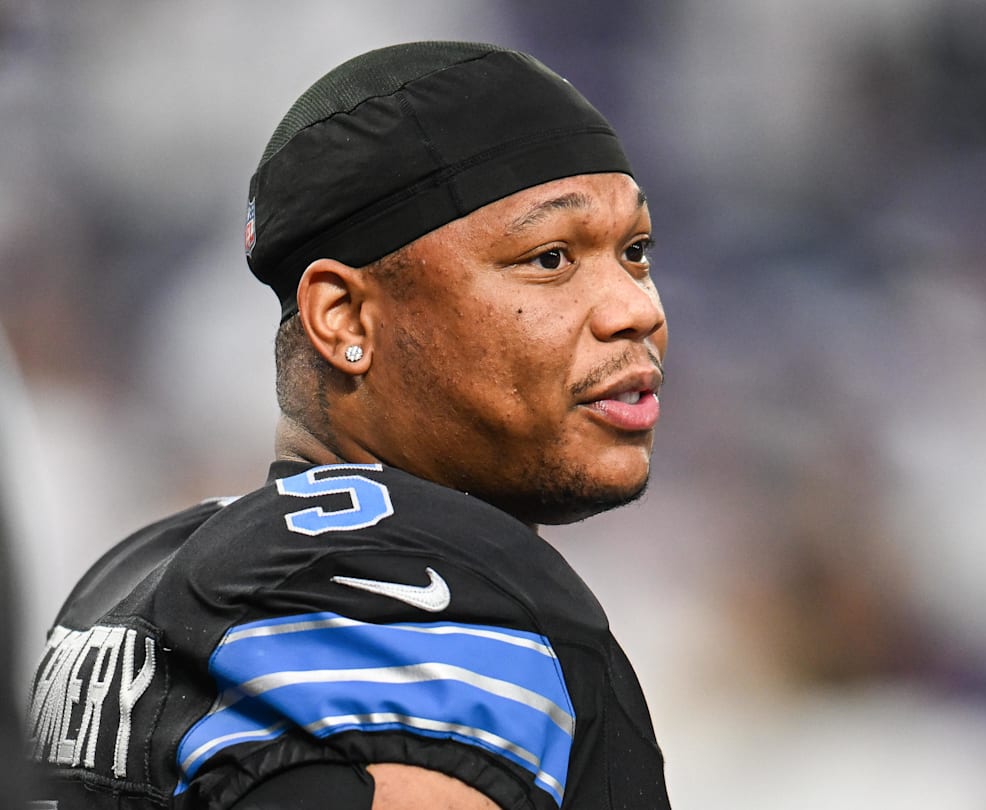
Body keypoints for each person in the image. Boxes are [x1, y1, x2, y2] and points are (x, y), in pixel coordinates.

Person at [23, 41, 671, 809]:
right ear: (343, 317)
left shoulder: (130, 575)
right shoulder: (424, 602)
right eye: (550, 258)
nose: (637, 310)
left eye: (635, 252)